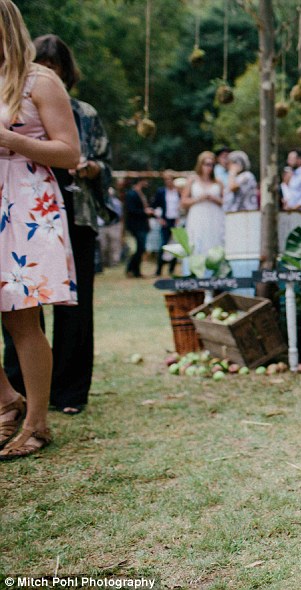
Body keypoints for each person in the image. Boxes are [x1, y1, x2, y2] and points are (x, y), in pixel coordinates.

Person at [2, 34, 113, 416]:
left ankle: (69, 393)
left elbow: (97, 160)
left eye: (56, 65)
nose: (49, 71)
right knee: (19, 303)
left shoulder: (84, 111)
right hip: (18, 202)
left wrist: (93, 168)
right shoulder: (13, 90)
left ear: (66, 69)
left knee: (72, 310)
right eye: (43, 62)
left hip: (69, 205)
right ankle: (19, 388)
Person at [0, 0, 80, 459]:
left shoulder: (39, 81)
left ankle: (37, 423)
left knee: (21, 317)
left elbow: (69, 152)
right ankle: (8, 400)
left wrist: (11, 140)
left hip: (26, 199)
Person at [180, 151, 225, 260]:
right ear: (201, 164)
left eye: (212, 165)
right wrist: (199, 199)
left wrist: (214, 199)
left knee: (215, 240)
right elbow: (183, 202)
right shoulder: (192, 180)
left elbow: (226, 202)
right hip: (198, 215)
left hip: (214, 216)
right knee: (197, 241)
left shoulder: (218, 182)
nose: (209, 168)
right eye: (207, 164)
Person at [153, 170, 181, 276]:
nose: (168, 181)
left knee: (175, 245)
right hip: (165, 221)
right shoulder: (161, 192)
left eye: (170, 179)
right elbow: (155, 206)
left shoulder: (178, 192)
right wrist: (159, 218)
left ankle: (171, 269)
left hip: (176, 221)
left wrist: (179, 217)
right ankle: (159, 269)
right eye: (166, 179)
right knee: (163, 244)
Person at [124, 177, 153, 278]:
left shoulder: (141, 193)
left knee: (141, 248)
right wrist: (144, 212)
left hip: (142, 225)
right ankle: (131, 268)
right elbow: (131, 210)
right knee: (140, 248)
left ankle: (135, 270)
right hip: (136, 225)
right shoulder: (131, 194)